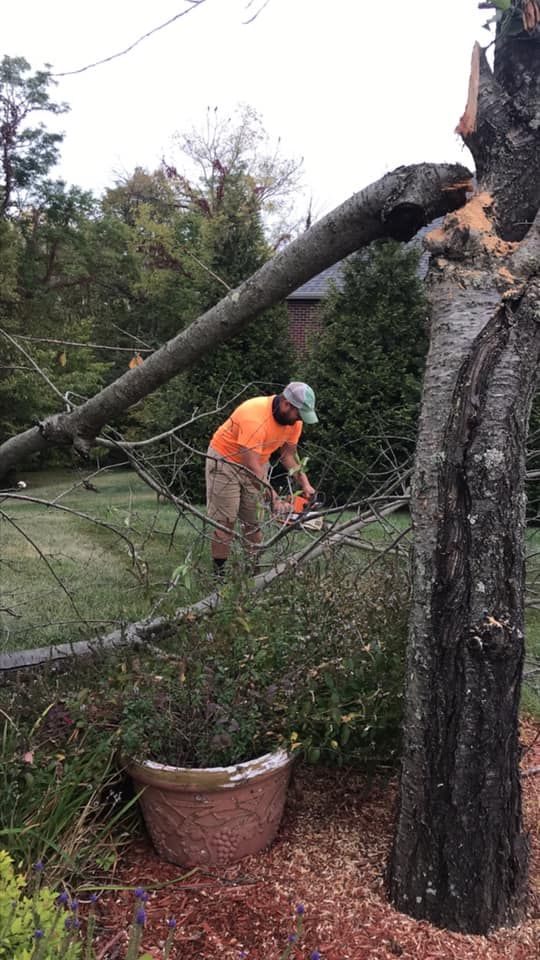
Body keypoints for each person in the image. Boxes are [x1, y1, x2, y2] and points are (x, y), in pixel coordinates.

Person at [205, 382, 318, 576]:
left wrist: (305, 484)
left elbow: (288, 455)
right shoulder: (254, 415)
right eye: (299, 414)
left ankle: (253, 574)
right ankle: (218, 577)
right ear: (286, 404)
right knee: (225, 522)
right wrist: (273, 497)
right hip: (225, 462)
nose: (300, 420)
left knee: (253, 523)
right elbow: (250, 465)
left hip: (257, 462)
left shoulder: (294, 422)